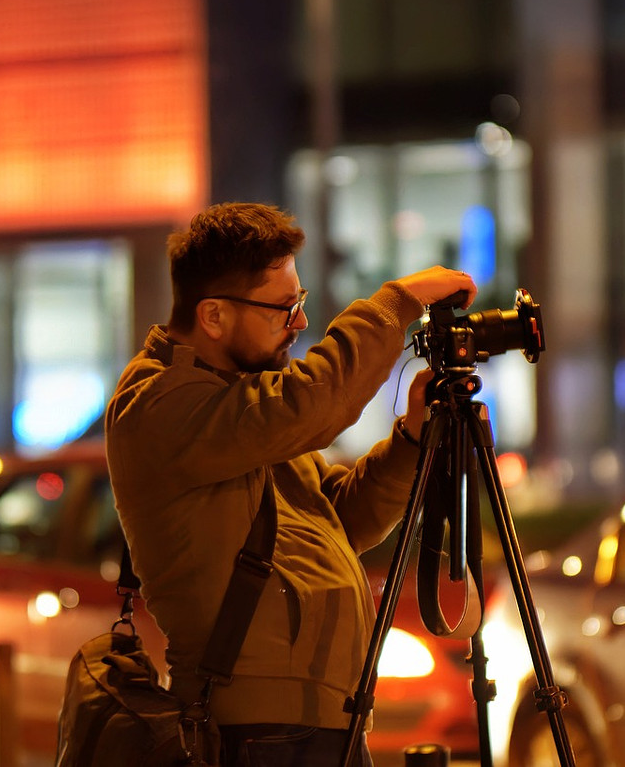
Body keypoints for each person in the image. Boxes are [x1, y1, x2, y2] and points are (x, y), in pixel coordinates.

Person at [105, 201, 476, 766]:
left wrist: (411, 439)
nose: (299, 323)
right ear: (213, 316)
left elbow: (343, 519)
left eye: (299, 302)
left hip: (321, 719)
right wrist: (397, 303)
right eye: (284, 308)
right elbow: (315, 400)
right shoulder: (160, 404)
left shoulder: (241, 399)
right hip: (256, 731)